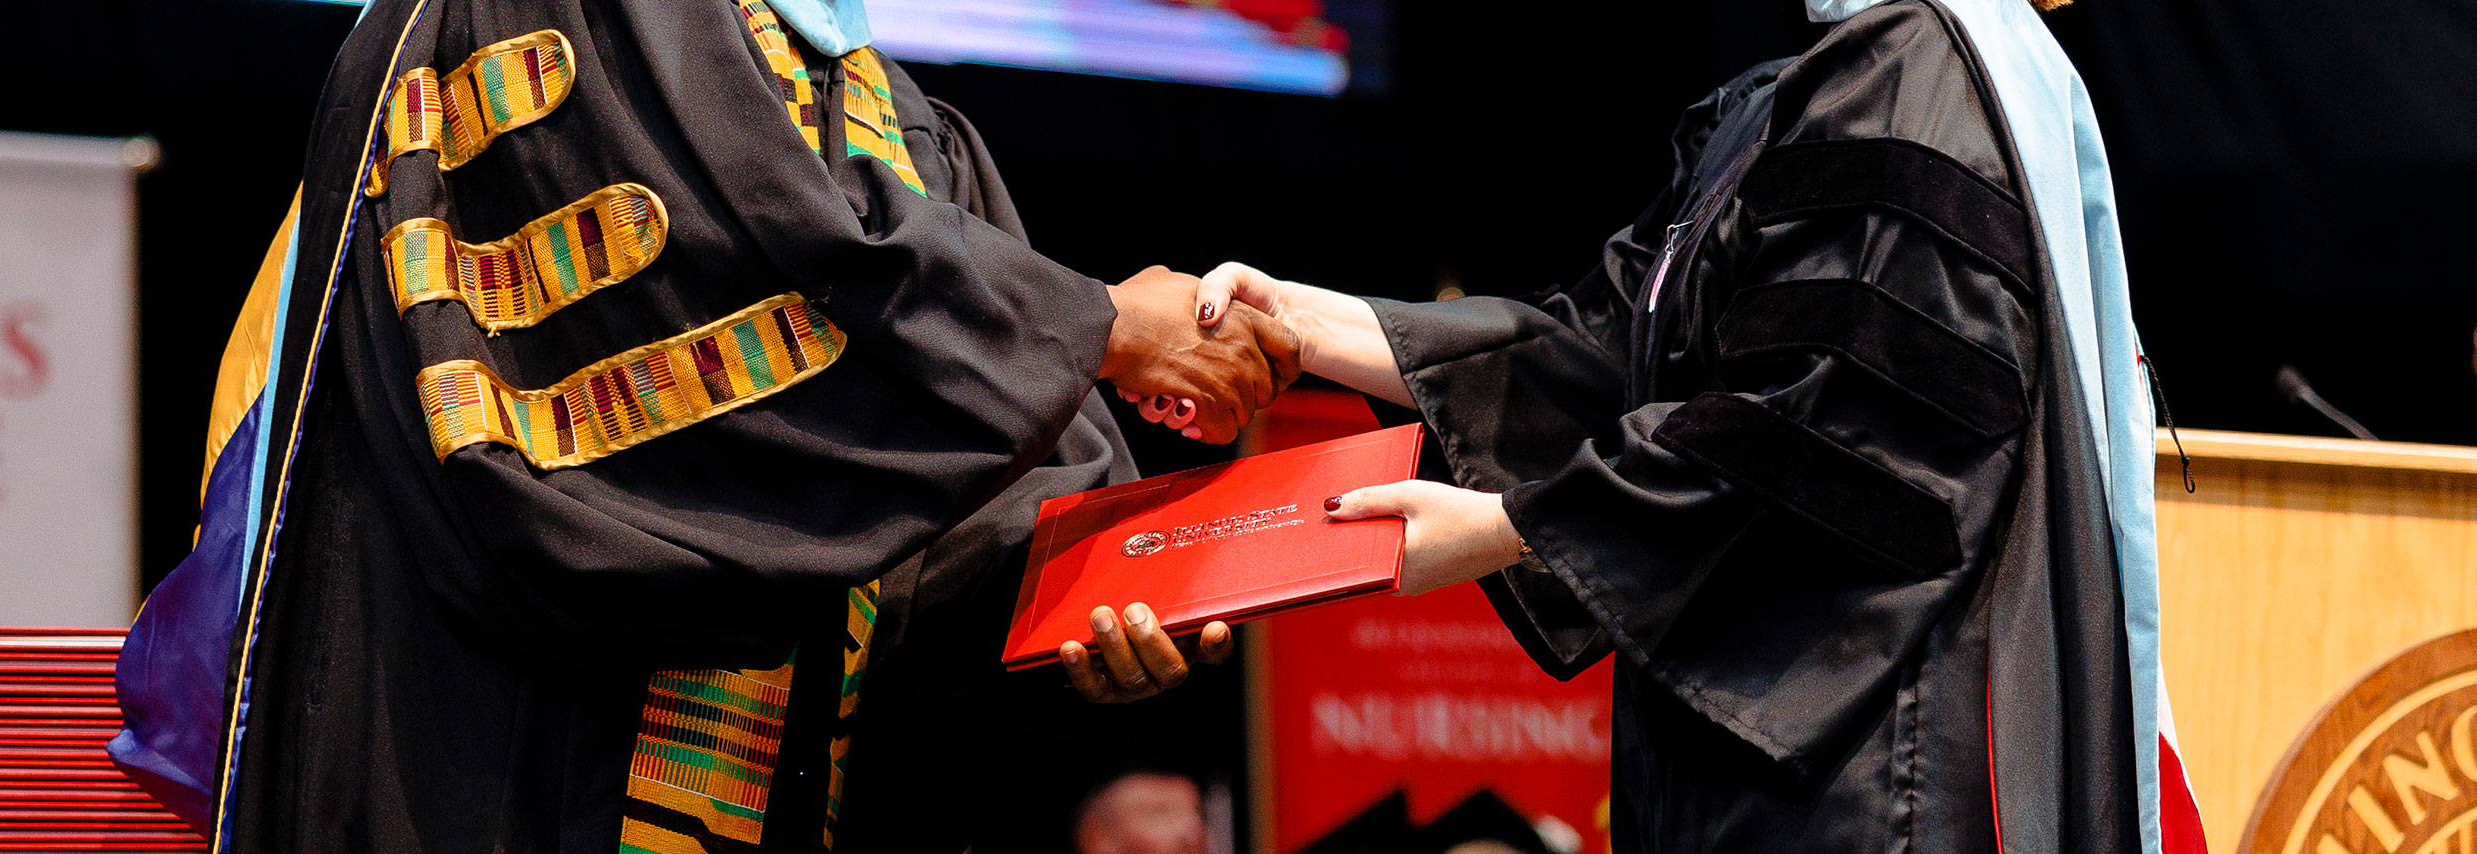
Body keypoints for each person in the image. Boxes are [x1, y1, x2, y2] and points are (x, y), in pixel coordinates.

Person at [108, 1, 1288, 853]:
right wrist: (1089, 324)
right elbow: (730, 280)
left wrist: (1108, 581)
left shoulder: (882, 106)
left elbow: (962, 465)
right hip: (519, 778)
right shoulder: (550, 20)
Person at [1080, 0, 2203, 851]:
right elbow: (1606, 350)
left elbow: (1837, 431)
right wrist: (1304, 323)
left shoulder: (1917, 73)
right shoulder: (1787, 98)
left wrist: (1504, 524)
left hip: (1865, 760)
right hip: (1740, 752)